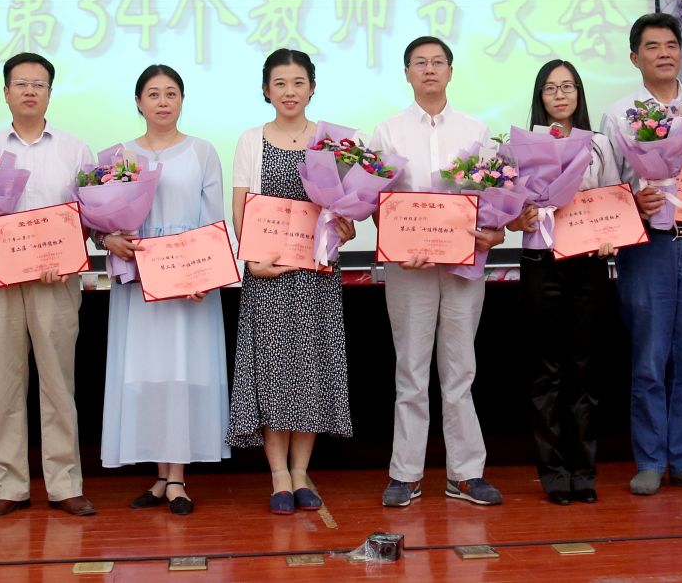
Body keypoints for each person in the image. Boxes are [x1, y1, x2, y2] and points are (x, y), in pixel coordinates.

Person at [598, 12, 682, 496]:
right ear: (634, 58)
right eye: (652, 46)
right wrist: (634, 203)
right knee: (649, 357)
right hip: (647, 247)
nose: (664, 53)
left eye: (671, 45)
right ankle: (651, 460)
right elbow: (608, 186)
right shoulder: (619, 114)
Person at [0, 53, 98, 519]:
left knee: (59, 383)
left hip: (55, 281)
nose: (30, 91)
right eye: (21, 83)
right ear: (6, 92)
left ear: (50, 93)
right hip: (0, 281)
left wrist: (70, 251)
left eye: (39, 84)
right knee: (5, 383)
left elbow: (90, 215)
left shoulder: (75, 149)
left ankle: (65, 484)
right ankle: (9, 485)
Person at [370, 36, 507, 508]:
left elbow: (494, 199)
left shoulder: (476, 130)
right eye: (419, 63)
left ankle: (465, 474)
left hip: (463, 265)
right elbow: (376, 201)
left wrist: (494, 232)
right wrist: (395, 240)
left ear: (450, 70)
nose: (429, 69)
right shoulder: (387, 132)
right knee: (410, 370)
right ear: (406, 73)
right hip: (409, 268)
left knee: (460, 370)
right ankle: (405, 474)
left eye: (438, 62)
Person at [226, 49, 355, 515]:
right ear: (266, 90)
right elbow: (241, 208)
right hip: (269, 274)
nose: (289, 92)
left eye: (298, 82)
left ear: (312, 88)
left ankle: (301, 473)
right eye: (279, 83)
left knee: (311, 371)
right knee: (273, 374)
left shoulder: (332, 142)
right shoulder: (250, 140)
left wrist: (346, 227)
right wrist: (253, 260)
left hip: (316, 276)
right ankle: (279, 475)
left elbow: (344, 211)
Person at [98, 65, 228, 515]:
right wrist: (108, 239)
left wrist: (205, 275)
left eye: (171, 93)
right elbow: (102, 224)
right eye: (153, 94)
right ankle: (160, 476)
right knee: (147, 375)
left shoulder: (203, 151)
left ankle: (177, 478)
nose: (162, 101)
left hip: (187, 285)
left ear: (182, 100)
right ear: (138, 102)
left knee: (181, 373)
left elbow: (213, 221)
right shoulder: (117, 156)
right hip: (139, 284)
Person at [513, 59, 618, 505]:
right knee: (547, 371)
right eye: (551, 88)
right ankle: (554, 473)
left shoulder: (599, 144)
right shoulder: (522, 145)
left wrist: (611, 237)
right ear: (540, 96)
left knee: (584, 368)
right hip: (541, 260)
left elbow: (612, 199)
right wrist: (518, 217)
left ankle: (584, 471)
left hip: (587, 262)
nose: (560, 95)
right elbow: (510, 209)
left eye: (568, 86)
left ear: (579, 93)